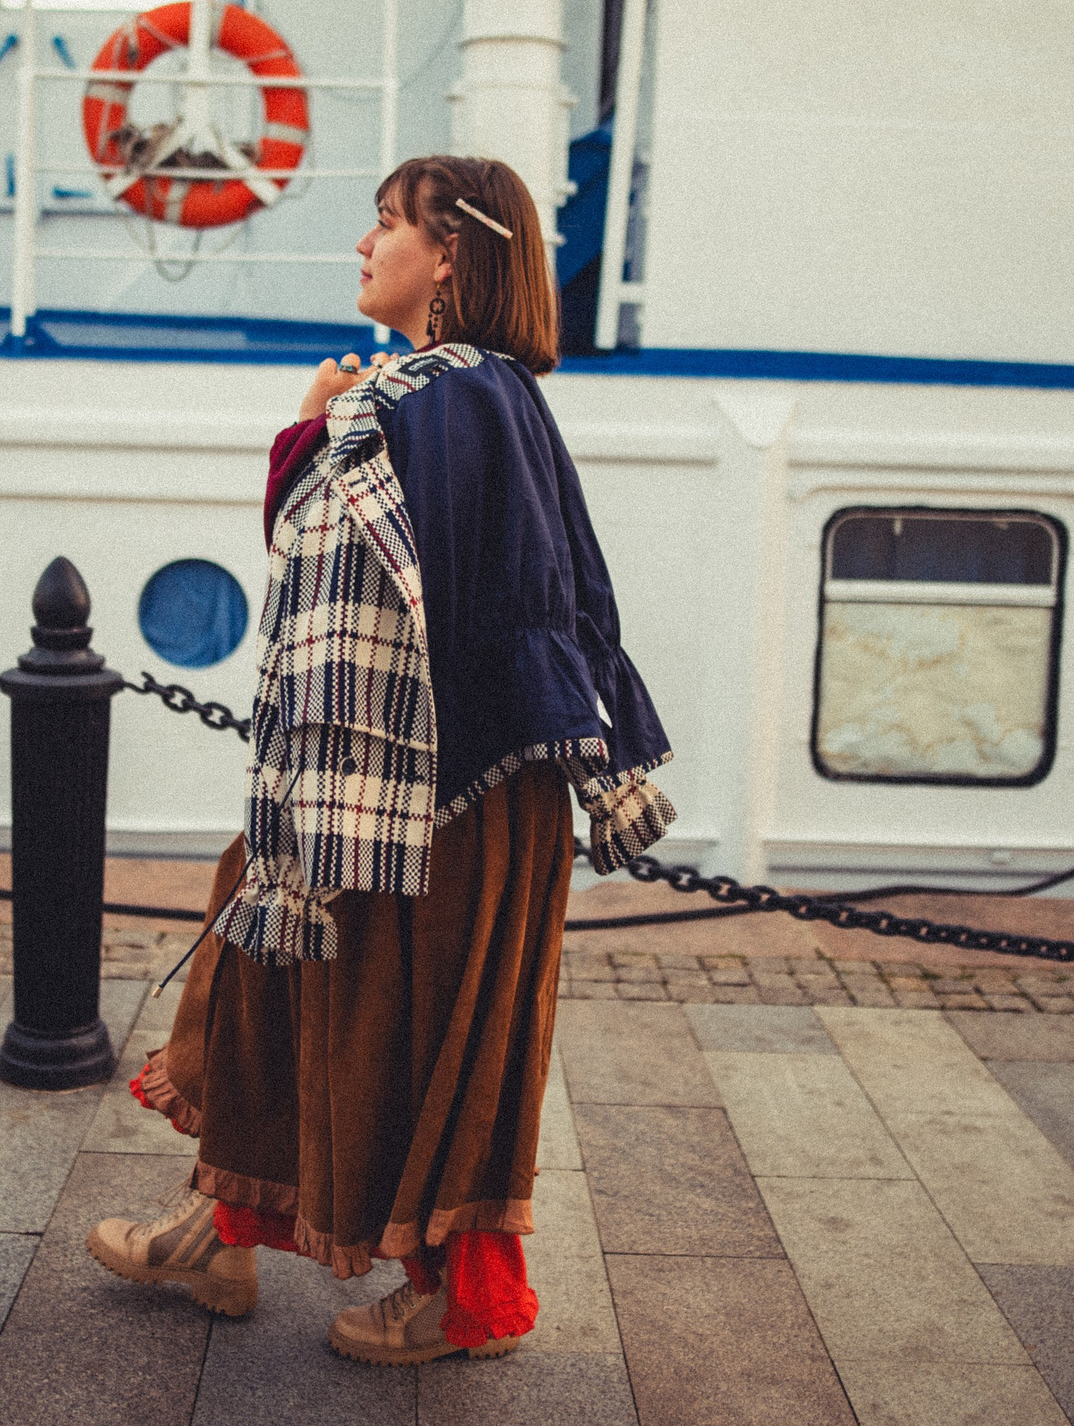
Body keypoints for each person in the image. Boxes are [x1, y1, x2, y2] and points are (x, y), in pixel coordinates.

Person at [86, 154, 676, 1365]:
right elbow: (357, 574)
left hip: (429, 788)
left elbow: (474, 595)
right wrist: (317, 417)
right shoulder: (446, 393)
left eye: (388, 224)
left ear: (450, 254)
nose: (364, 243)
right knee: (269, 983)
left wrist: (312, 422)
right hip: (382, 775)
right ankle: (221, 1229)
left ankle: (452, 1297)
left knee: (414, 1031)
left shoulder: (451, 396)